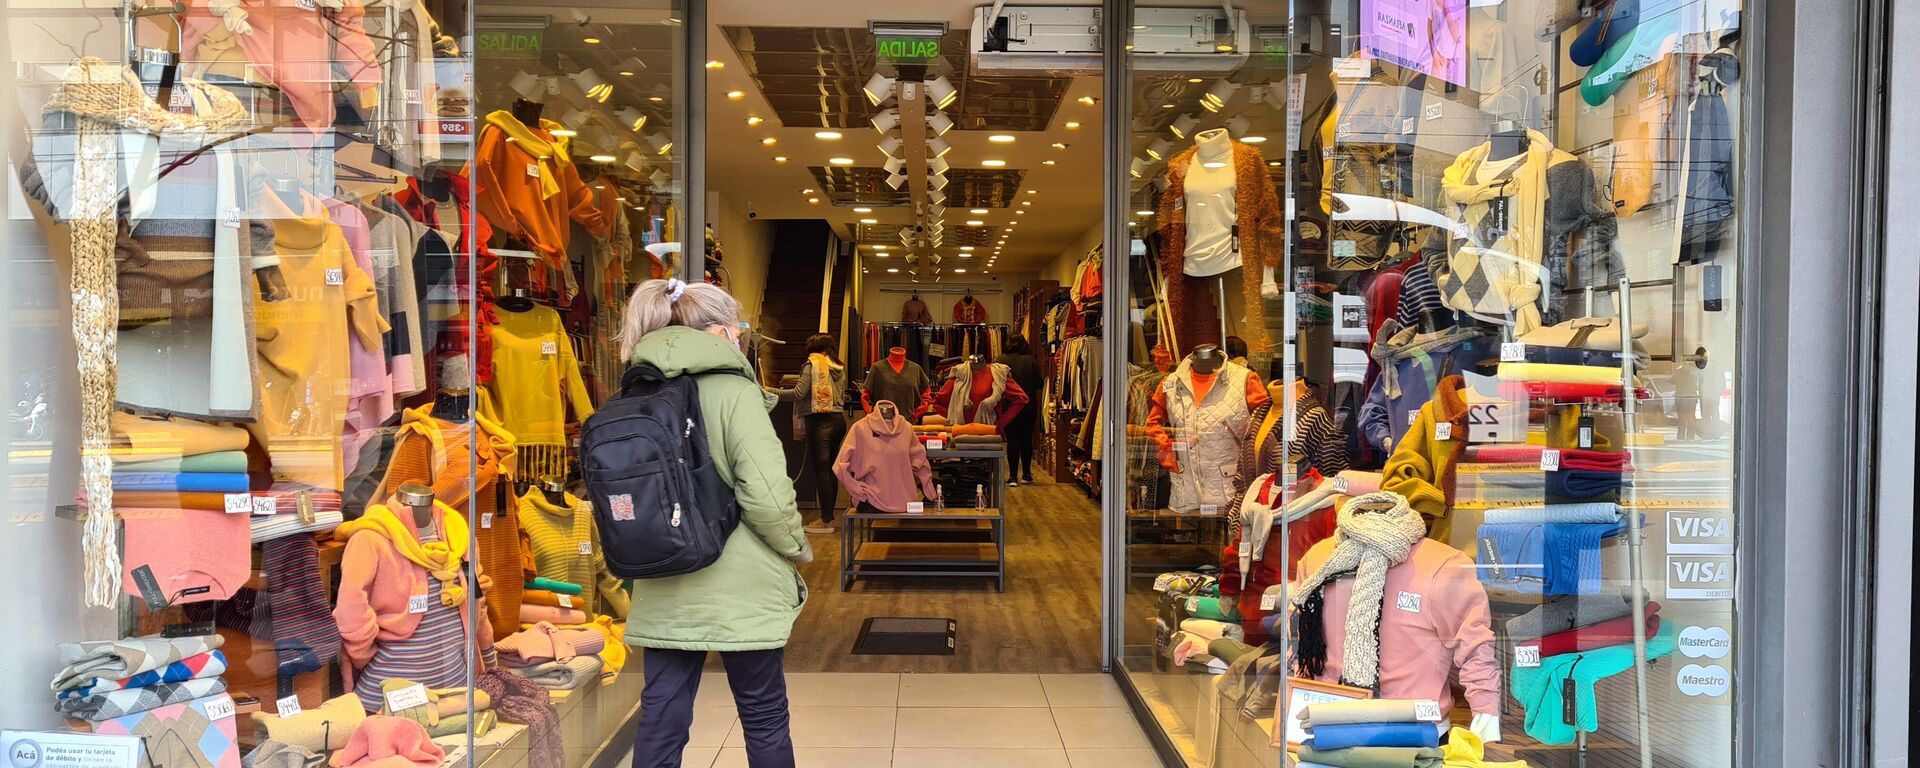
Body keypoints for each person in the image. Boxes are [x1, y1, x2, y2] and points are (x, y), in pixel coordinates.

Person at [616, 278, 810, 768]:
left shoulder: (633, 390)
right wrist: (794, 547)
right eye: (741, 328)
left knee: (661, 717)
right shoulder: (733, 392)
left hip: (661, 577)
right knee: (763, 715)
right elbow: (767, 494)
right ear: (720, 331)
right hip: (739, 581)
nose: (743, 338)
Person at [766, 333, 848, 534]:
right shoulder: (838, 367)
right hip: (838, 420)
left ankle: (826, 521)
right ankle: (828, 518)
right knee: (829, 470)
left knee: (821, 472)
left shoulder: (812, 365)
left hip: (819, 421)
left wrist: (770, 391)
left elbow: (798, 393)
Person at [996, 334, 1044, 486]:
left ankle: (1012, 477)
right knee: (1026, 438)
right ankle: (1027, 474)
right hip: (1028, 405)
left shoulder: (1000, 360)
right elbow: (1039, 384)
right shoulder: (1030, 360)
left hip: (1009, 405)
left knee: (1012, 439)